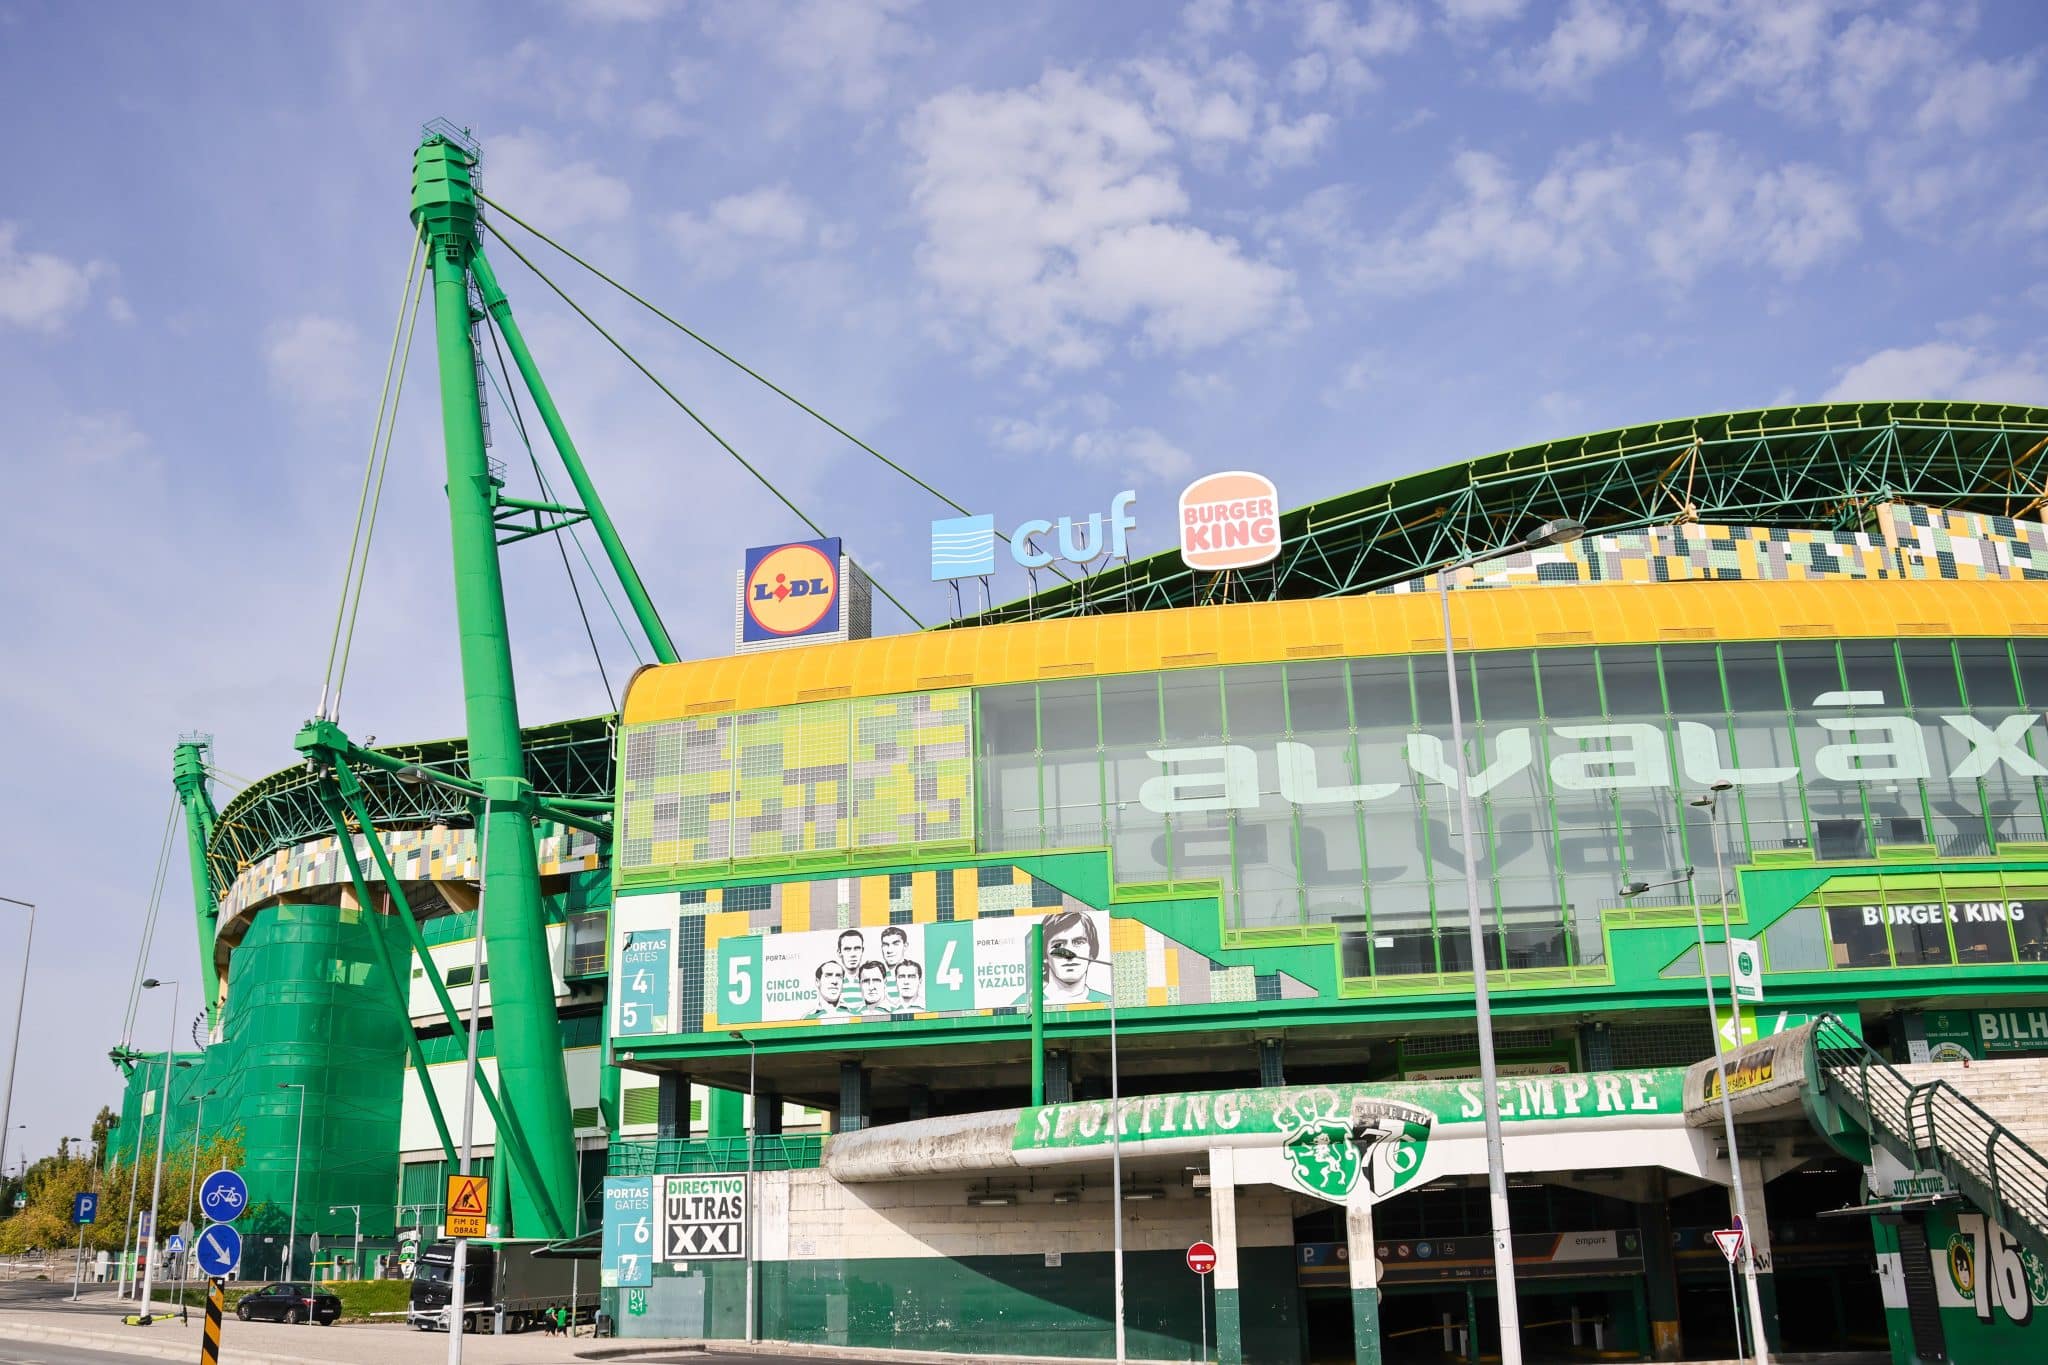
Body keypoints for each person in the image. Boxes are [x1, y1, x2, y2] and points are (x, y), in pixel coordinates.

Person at [1038, 909, 1114, 1006]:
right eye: (1058, 945)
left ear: (1092, 952)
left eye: (1078, 942)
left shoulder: (1105, 1002)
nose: (1069, 954)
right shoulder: (1027, 1003)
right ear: (1045, 955)